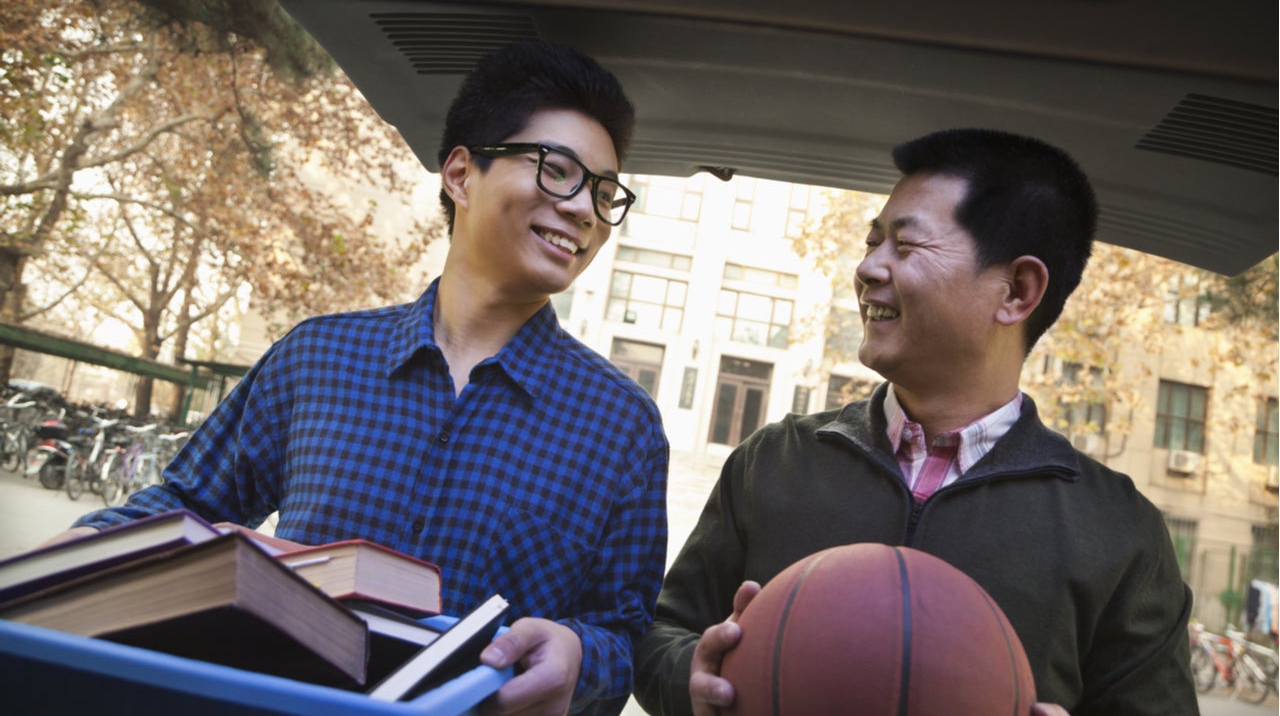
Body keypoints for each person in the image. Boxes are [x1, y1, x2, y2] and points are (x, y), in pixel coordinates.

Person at [50, 41, 669, 716]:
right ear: (461, 175)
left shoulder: (623, 425)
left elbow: (623, 630)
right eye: (559, 171)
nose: (585, 209)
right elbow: (188, 508)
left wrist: (580, 655)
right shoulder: (316, 358)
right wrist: (70, 555)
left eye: (606, 193)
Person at [632, 129, 1195, 715]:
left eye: (905, 246)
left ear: (1017, 291)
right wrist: (691, 676)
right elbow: (657, 636)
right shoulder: (772, 460)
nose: (868, 267)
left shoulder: (1120, 530)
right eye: (873, 241)